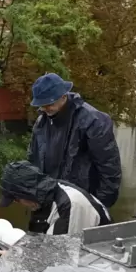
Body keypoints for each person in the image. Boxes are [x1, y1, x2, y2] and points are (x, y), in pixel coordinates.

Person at [27, 73, 121, 232]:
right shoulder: (42, 121)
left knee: (73, 250)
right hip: (49, 199)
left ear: (63, 97)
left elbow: (110, 169)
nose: (44, 108)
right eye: (41, 105)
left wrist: (98, 206)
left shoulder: (93, 121)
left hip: (81, 202)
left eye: (48, 104)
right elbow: (33, 159)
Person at [0, 161, 111, 235]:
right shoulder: (41, 198)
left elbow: (59, 255)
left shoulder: (69, 205)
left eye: (17, 200)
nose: (18, 204)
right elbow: (37, 239)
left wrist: (17, 257)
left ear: (27, 193)